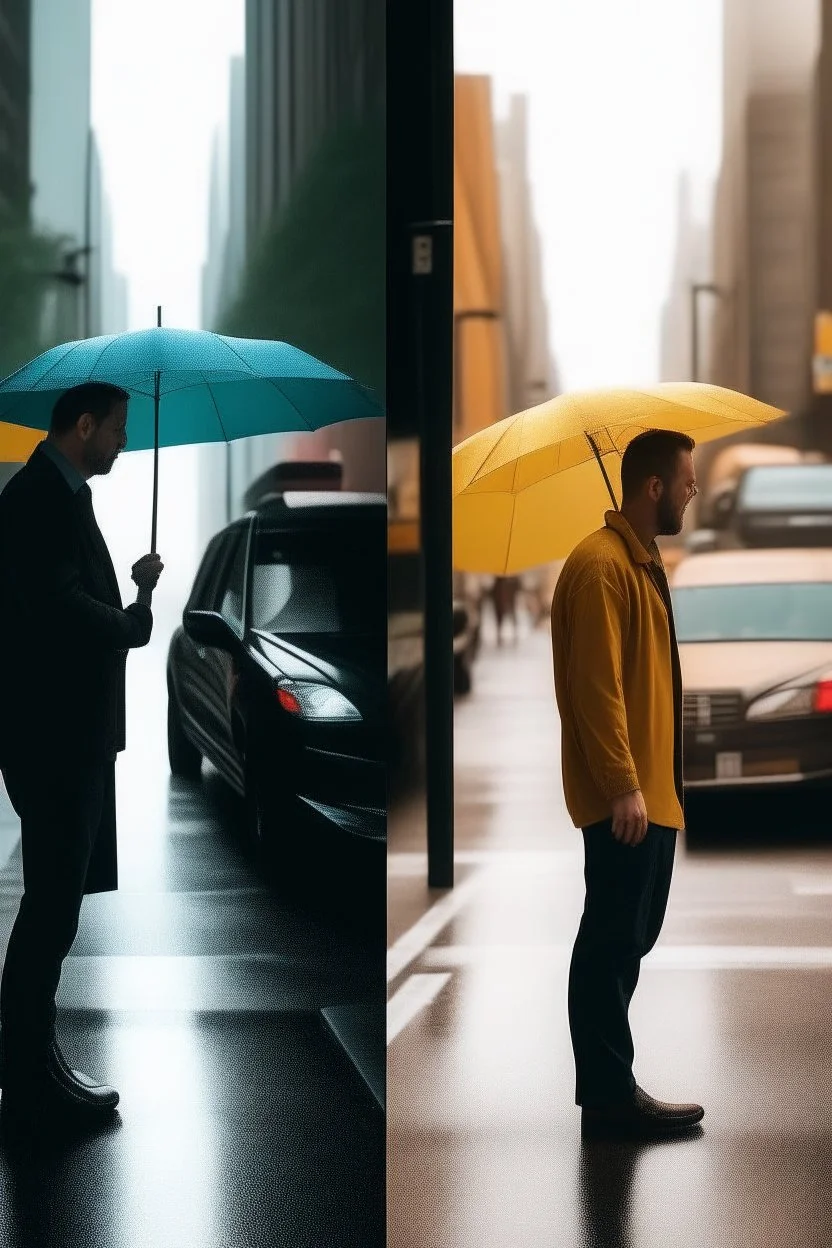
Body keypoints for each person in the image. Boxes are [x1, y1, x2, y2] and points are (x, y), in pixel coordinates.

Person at [0, 381, 164, 1132]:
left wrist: (137, 593)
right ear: (85, 425)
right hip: (54, 740)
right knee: (49, 910)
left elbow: (71, 596)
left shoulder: (61, 494)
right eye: (119, 429)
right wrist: (131, 623)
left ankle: (40, 1062)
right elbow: (59, 607)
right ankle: (29, 1078)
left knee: (56, 908)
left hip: (69, 737)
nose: (124, 442)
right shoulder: (37, 496)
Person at [551, 429, 704, 1140]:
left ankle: (612, 1088)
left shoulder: (639, 562)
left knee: (626, 940)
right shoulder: (602, 567)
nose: (693, 489)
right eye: (686, 478)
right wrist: (621, 785)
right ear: (653, 488)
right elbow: (596, 688)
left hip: (650, 794)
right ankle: (610, 1096)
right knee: (610, 941)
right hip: (628, 799)